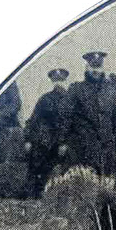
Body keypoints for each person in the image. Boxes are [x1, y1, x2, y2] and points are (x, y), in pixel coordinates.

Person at [60, 51, 116, 177]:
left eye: (98, 67)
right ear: (86, 67)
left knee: (105, 183)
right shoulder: (76, 89)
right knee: (83, 182)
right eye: (92, 66)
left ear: (102, 68)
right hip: (81, 149)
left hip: (106, 150)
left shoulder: (110, 91)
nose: (95, 70)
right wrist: (62, 142)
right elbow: (65, 117)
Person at [23, 68, 71, 197]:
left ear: (66, 81)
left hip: (65, 141)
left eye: (61, 81)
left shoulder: (71, 100)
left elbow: (74, 123)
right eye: (56, 81)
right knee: (37, 164)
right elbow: (34, 119)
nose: (59, 84)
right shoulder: (45, 99)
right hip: (46, 141)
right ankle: (33, 194)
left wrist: (64, 143)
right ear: (52, 82)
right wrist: (28, 139)